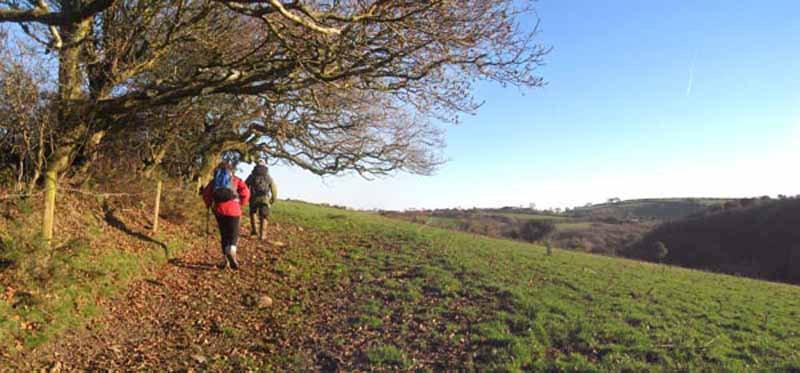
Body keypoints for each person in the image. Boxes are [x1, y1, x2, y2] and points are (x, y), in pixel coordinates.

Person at [202, 161, 250, 270]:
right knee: (233, 233)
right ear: (230, 170)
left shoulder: (214, 181)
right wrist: (241, 203)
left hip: (219, 210)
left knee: (224, 234)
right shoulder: (236, 180)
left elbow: (206, 194)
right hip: (234, 209)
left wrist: (209, 205)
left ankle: (225, 261)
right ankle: (231, 251)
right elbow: (246, 193)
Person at [245, 160, 277, 240]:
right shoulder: (268, 176)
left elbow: (245, 186)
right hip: (264, 199)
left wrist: (246, 197)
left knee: (253, 213)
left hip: (253, 198)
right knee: (264, 216)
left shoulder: (252, 176)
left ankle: (254, 232)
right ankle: (262, 235)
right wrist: (272, 200)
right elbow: (274, 189)